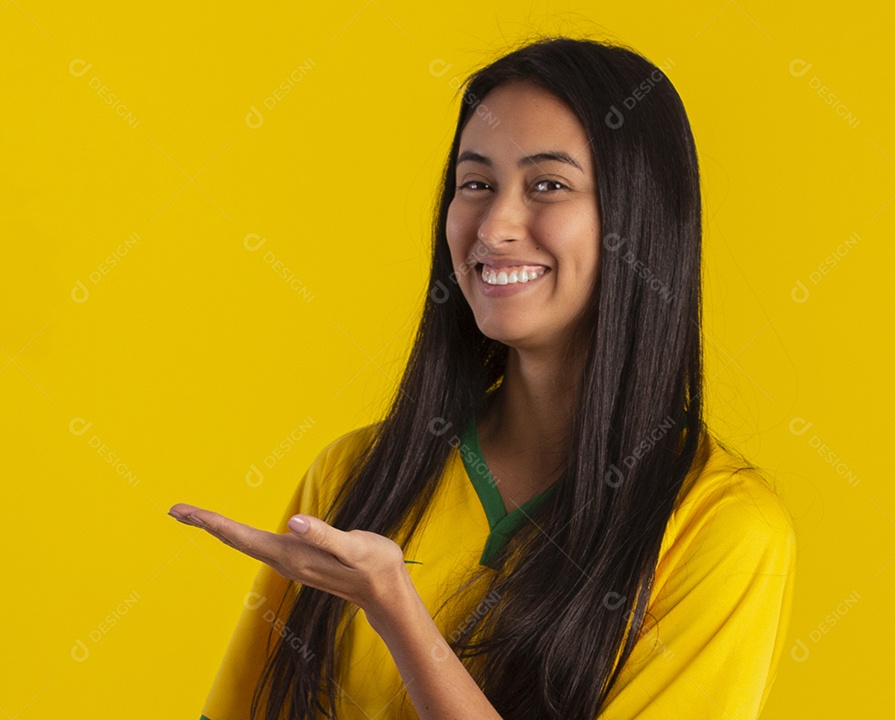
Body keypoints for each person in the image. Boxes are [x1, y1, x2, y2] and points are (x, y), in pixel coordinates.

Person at [170, 34, 797, 720]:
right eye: (476, 185)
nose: (495, 225)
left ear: (639, 219)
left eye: (548, 185)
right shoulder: (353, 474)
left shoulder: (724, 530)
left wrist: (396, 612)